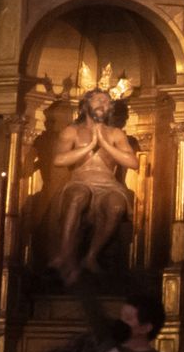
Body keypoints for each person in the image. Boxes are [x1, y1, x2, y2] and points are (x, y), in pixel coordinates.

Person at [52, 89, 139, 285]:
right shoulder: (72, 131)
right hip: (81, 181)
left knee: (116, 205)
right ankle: (65, 254)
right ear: (85, 105)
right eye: (98, 100)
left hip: (108, 185)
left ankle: (91, 256)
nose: (103, 105)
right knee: (78, 195)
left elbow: (133, 163)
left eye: (107, 102)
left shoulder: (116, 134)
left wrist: (104, 144)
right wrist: (90, 146)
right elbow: (59, 160)